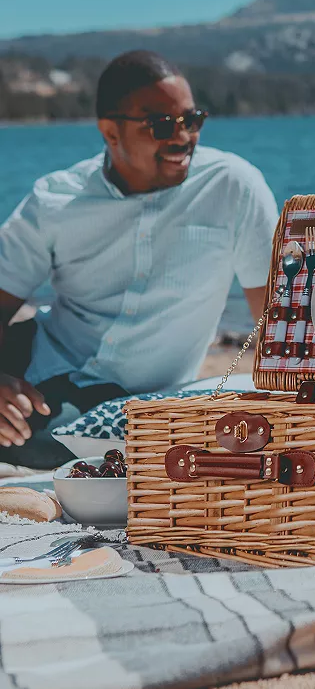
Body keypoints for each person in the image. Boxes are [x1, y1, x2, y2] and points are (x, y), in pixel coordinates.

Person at [0, 50, 279, 467]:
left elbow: (274, 326)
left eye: (192, 120)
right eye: (162, 124)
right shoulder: (55, 199)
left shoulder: (233, 188)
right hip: (34, 360)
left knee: (62, 444)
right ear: (111, 132)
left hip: (135, 399)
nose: (183, 137)